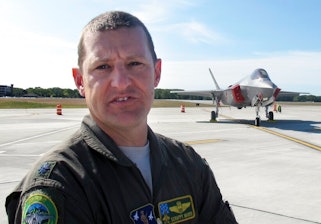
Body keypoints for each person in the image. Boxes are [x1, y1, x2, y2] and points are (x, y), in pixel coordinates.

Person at [5, 11, 237, 223]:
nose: (121, 82)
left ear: (156, 73)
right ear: (79, 81)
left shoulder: (188, 164)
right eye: (103, 67)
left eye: (135, 63)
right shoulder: (61, 185)